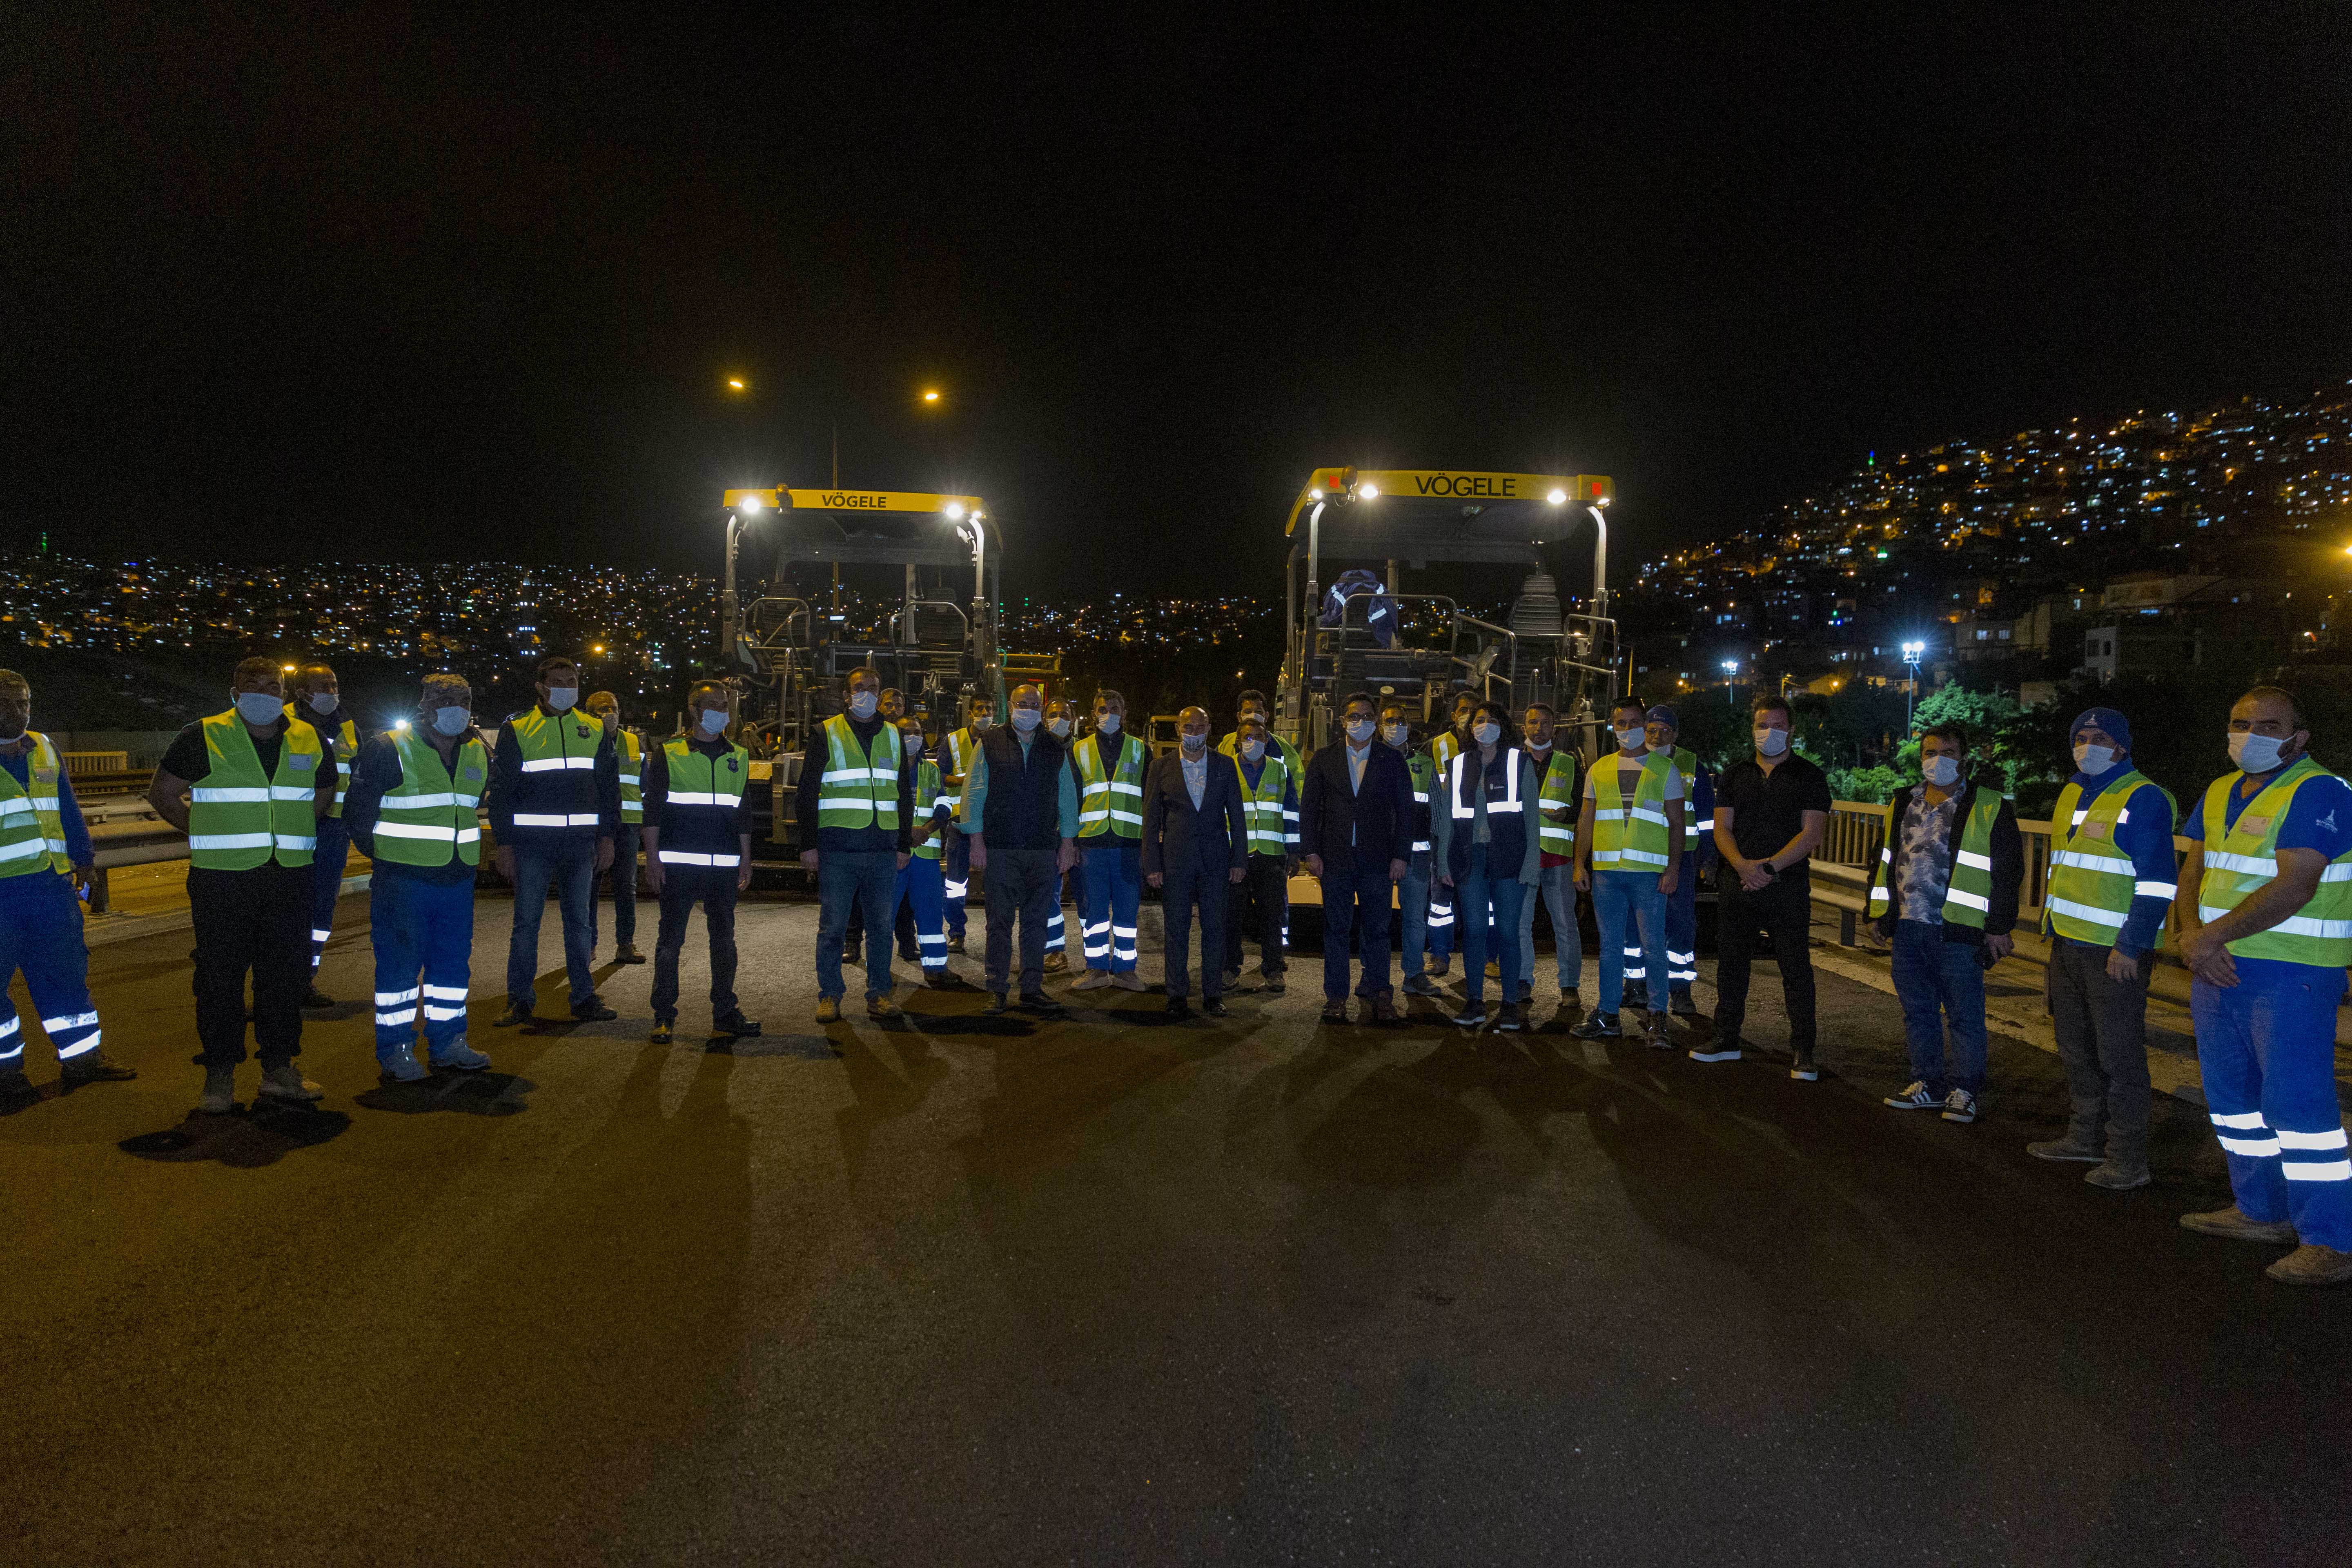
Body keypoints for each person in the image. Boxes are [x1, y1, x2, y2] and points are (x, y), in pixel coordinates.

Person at [2175, 686, 2352, 1285]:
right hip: (2220, 967)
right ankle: (2260, 1210)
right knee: (2233, 1103)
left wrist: (2206, 939)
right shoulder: (2220, 790)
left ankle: (2331, 1241)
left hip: (2294, 972)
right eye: (2240, 722)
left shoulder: (2319, 790)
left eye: (2268, 725)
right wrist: (2191, 933)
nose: (2250, 733)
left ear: (2299, 738)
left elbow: (2297, 883)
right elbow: (2193, 869)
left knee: (2299, 1110)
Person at [148, 657, 338, 1112]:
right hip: (222, 880)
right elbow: (163, 793)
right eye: (252, 685)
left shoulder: (306, 735)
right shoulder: (204, 734)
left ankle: (278, 1069)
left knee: (284, 978)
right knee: (219, 979)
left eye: (272, 685)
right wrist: (203, 832)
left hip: (289, 876)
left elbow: (326, 787)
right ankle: (219, 1076)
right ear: (234, 693)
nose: (263, 693)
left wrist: (295, 829)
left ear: (285, 693)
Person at [2031, 706, 2178, 1189]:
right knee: (2076, 1050)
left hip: (2113, 953)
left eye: (2098, 736)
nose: (2086, 744)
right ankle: (2084, 1138)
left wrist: (2131, 946)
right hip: (2068, 944)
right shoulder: (2073, 790)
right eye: (2080, 735)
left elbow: (2157, 885)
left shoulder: (2144, 797)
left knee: (2119, 1056)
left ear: (2121, 745)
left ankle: (2128, 1157)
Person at [1866, 722, 2022, 1124]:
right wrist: (1878, 913)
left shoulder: (1990, 805)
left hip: (1959, 929)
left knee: (1964, 1016)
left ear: (1964, 757)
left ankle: (1965, 1091)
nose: (1939, 761)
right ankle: (1928, 1085)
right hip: (1908, 927)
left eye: (1948, 753)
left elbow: (2008, 873)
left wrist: (1999, 926)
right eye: (1931, 752)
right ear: (1921, 758)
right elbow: (1884, 859)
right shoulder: (1903, 801)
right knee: (1918, 1012)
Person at [343, 673, 494, 1080]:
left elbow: (470, 805)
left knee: (451, 969)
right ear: (425, 705)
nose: (455, 706)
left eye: (462, 699)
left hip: (457, 877)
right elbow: (358, 811)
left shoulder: (477, 750)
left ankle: (449, 1044)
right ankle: (395, 1050)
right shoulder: (389, 747)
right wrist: (386, 857)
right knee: (399, 969)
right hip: (403, 879)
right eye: (444, 698)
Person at [0, 669, 134, 1100]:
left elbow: (67, 807)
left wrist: (85, 859)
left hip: (50, 890)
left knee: (65, 979)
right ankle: (7, 1076)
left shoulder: (43, 748)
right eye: (6, 703)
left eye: (23, 703)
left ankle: (82, 1062)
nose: (17, 712)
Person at [488, 656, 621, 1026]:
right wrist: (505, 845)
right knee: (526, 924)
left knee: (579, 924)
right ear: (541, 687)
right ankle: (519, 1001)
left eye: (573, 679)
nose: (567, 686)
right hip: (532, 846)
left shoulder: (594, 728)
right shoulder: (518, 728)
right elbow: (502, 792)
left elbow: (609, 789)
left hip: (580, 845)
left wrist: (608, 838)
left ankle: (583, 998)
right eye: (558, 680)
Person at [1708, 695, 1833, 1076]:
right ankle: (1726, 1038)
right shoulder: (1735, 774)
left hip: (1787, 885)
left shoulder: (1810, 776)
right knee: (1732, 964)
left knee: (1796, 969)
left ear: (1792, 731)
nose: (1770, 733)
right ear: (1753, 729)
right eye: (1763, 726)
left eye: (1778, 726)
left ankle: (1803, 1051)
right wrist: (1743, 867)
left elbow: (1811, 834)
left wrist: (1767, 869)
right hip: (1738, 882)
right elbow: (1721, 828)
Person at [642, 681, 761, 1043]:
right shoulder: (669, 752)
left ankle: (725, 1012)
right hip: (678, 866)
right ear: (693, 710)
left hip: (724, 865)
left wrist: (746, 859)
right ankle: (663, 1015)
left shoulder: (737, 756)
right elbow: (653, 812)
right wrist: (652, 861)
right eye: (712, 704)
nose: (720, 711)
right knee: (670, 943)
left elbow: (742, 813)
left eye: (724, 705)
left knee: (724, 941)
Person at [798, 667, 916, 1022]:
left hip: (882, 848)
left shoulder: (894, 735)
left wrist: (903, 845)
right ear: (846, 695)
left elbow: (902, 796)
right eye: (859, 688)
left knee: (881, 928)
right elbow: (806, 793)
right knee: (833, 927)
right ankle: (830, 995)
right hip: (839, 847)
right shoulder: (825, 732)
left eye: (873, 688)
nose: (867, 693)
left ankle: (879, 994)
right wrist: (808, 845)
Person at [1571, 694, 1683, 1043]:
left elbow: (1677, 825)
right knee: (1610, 948)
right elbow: (1586, 819)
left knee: (1653, 949)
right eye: (1622, 723)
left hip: (1649, 875)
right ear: (1613, 726)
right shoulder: (1599, 768)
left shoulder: (1666, 769)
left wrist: (1673, 869)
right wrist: (1579, 864)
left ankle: (1657, 1018)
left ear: (1645, 725)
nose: (1629, 729)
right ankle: (1608, 1015)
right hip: (1607, 874)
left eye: (1636, 723)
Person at [961, 683, 1079, 1015]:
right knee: (998, 923)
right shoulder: (990, 742)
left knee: (1036, 923)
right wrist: (976, 840)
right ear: (1010, 706)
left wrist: (1067, 843)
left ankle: (1031, 989)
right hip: (1000, 848)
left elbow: (1066, 797)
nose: (1027, 708)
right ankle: (996, 988)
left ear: (1041, 709)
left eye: (1033, 704)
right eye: (1020, 703)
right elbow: (973, 792)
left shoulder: (1055, 746)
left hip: (1042, 848)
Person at [1298, 691, 1414, 1024]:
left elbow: (1405, 811)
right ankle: (1336, 997)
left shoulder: (1391, 760)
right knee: (1336, 930)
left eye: (1366, 716)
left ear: (1376, 722)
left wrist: (1400, 855)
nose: (1359, 722)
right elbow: (1309, 810)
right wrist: (1311, 851)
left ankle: (1380, 993)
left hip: (1378, 860)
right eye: (1354, 716)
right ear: (1343, 720)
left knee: (1378, 929)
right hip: (1334, 860)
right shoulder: (1324, 758)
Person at [1432, 700, 1542, 1032]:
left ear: (1503, 726)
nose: (1485, 725)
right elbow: (1450, 819)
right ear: (1470, 727)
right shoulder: (1459, 764)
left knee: (1508, 932)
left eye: (1492, 720)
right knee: (1476, 931)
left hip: (1509, 858)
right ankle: (1475, 1001)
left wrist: (1532, 864)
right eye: (1479, 720)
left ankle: (1509, 1004)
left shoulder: (1518, 761)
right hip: (1469, 859)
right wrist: (1443, 861)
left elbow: (1532, 820)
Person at [1142, 706, 1249, 1019]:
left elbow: (1238, 818)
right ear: (1178, 729)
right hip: (1175, 861)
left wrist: (1239, 859)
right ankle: (1177, 994)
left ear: (1209, 728)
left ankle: (1212, 994)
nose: (1193, 733)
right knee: (1176, 929)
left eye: (1199, 727)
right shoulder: (1161, 767)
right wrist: (1152, 865)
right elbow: (1151, 820)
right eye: (1188, 727)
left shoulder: (1225, 766)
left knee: (1215, 929)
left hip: (1216, 861)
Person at [286, 662, 359, 1008]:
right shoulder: (281, 722)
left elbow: (353, 773)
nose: (331, 692)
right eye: (323, 686)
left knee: (321, 911)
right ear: (302, 692)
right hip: (292, 829)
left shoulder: (346, 725)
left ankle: (305, 981)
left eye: (333, 685)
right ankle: (277, 985)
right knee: (285, 908)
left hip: (333, 829)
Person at [1068, 687, 1150, 992]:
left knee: (1128, 912)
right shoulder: (1078, 750)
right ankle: (1096, 969)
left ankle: (1126, 971)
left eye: (1115, 709)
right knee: (1094, 911)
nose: (1109, 715)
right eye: (1104, 709)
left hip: (1130, 843)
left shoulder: (1142, 749)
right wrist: (1071, 842)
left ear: (1125, 714)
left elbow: (1150, 800)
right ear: (1093, 714)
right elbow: (1071, 799)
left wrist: (1150, 843)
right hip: (1092, 842)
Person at [1634, 705, 1714, 1018]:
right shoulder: (1633, 761)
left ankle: (1680, 992)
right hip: (1641, 855)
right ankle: (1636, 986)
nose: (1657, 736)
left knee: (1681, 924)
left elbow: (1707, 819)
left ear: (1676, 734)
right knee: (1637, 926)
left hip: (1683, 858)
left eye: (1664, 730)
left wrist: (1710, 857)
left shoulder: (1691, 765)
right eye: (1652, 730)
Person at [1223, 713, 1298, 992]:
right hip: (1235, 858)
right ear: (1239, 742)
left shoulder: (1280, 771)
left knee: (1272, 917)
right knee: (1232, 918)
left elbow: (1291, 813)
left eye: (1259, 737)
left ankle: (1274, 970)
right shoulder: (1225, 770)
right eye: (1247, 738)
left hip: (1271, 856)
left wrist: (1293, 852)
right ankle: (1230, 969)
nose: (1253, 742)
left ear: (1268, 741)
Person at [844, 688, 920, 969]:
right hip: (860, 830)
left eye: (899, 705)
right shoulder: (868, 736)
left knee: (901, 898)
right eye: (888, 704)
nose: (893, 709)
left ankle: (906, 942)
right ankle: (852, 942)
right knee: (856, 896)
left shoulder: (897, 740)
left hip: (889, 834)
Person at [1385, 702, 1452, 1000]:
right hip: (1379, 856)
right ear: (1379, 725)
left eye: (1400, 721)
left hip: (1418, 855)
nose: (1395, 726)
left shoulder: (1424, 764)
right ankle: (1372, 976)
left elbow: (1438, 813)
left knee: (1415, 918)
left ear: (1409, 727)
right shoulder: (1368, 761)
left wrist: (1443, 854)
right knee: (1376, 919)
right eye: (1390, 721)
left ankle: (1413, 975)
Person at [1523, 702, 1582, 1009]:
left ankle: (1569, 986)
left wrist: (1568, 813)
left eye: (1546, 723)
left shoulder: (1569, 763)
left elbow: (1585, 809)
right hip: (1521, 856)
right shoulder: (1513, 762)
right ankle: (1521, 981)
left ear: (1554, 729)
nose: (1539, 728)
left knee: (1565, 923)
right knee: (1520, 923)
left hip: (1558, 857)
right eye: (1533, 722)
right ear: (1525, 728)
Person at [891, 715, 957, 986]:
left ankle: (936, 968)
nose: (913, 737)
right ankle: (880, 973)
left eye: (917, 732)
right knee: (883, 916)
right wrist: (903, 835)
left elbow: (944, 805)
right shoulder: (886, 767)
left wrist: (927, 830)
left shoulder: (930, 770)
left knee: (931, 913)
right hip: (894, 853)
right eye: (907, 732)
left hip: (926, 855)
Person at [583, 690, 647, 965]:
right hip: (595, 825)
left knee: (626, 886)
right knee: (590, 886)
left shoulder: (633, 741)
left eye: (614, 707)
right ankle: (588, 945)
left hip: (628, 825)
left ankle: (625, 944)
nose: (610, 713)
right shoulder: (583, 741)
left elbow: (642, 783)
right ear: (589, 714)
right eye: (602, 709)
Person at [940, 694, 993, 953]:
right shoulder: (952, 740)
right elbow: (941, 776)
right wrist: (968, 781)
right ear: (970, 713)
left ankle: (995, 934)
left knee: (996, 885)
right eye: (980, 709)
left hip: (992, 824)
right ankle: (956, 932)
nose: (985, 713)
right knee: (955, 884)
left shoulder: (1001, 739)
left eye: (989, 709)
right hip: (959, 824)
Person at [1040, 695, 1082, 972]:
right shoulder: (1036, 748)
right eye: (1054, 714)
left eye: (1065, 714)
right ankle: (1051, 950)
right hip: (1043, 834)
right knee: (1044, 895)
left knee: (1066, 895)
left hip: (1075, 835)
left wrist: (1074, 840)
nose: (1059, 719)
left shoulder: (1080, 752)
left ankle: (1064, 953)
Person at [1218, 689, 1305, 782]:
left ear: (1267, 716)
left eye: (1259, 712)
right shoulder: (1227, 744)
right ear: (1239, 717)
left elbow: (1297, 779)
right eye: (1248, 712)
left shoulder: (1281, 747)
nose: (1253, 715)